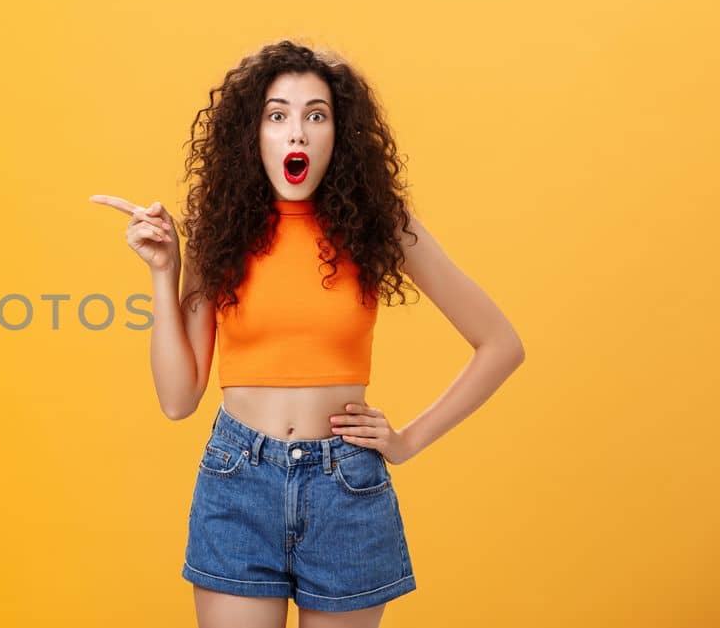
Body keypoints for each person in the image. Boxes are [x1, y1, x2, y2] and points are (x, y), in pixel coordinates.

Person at [87, 39, 525, 628]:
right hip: (238, 480)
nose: (297, 132)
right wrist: (164, 271)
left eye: (315, 115)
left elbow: (500, 344)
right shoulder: (218, 229)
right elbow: (177, 398)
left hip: (346, 487)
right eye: (278, 115)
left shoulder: (382, 226)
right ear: (254, 136)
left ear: (337, 136)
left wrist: (408, 440)